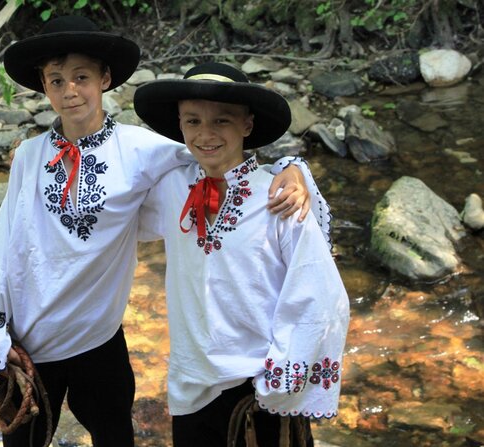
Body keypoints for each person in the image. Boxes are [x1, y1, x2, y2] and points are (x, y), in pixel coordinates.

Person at [0, 16, 327, 447]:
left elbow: (216, 157)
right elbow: (5, 243)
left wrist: (292, 168)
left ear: (105, 78)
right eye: (56, 80)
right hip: (26, 340)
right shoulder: (29, 155)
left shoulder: (142, 150)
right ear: (44, 87)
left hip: (97, 340)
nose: (70, 91)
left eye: (81, 77)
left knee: (115, 437)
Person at [134, 62, 349, 447]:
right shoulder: (170, 187)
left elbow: (320, 297)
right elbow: (112, 184)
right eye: (193, 121)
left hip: (258, 392)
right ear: (179, 125)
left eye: (222, 121)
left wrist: (278, 384)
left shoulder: (280, 200)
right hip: (190, 389)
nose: (205, 134)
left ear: (247, 125)